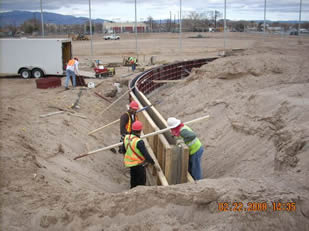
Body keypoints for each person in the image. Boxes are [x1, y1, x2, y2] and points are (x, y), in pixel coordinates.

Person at [123, 120, 154, 188]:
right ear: (140, 130)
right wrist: (152, 161)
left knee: (133, 179)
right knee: (141, 182)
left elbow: (123, 150)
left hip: (130, 163)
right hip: (139, 164)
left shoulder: (126, 137)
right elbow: (145, 154)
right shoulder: (139, 141)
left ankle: (133, 191)